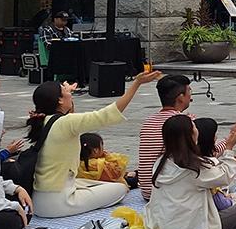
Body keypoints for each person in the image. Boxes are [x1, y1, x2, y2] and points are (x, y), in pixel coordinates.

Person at [31, 71, 163, 218]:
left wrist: (67, 94)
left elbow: (69, 118)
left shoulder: (44, 121)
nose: (70, 93)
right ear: (59, 100)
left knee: (105, 184)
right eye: (65, 91)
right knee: (120, 189)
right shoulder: (64, 123)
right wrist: (136, 84)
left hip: (40, 198)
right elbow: (104, 115)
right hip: (57, 202)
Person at [137, 75, 236, 200]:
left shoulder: (148, 121)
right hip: (173, 192)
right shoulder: (186, 124)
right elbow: (207, 152)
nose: (191, 95)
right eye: (189, 91)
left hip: (148, 189)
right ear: (181, 97)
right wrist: (230, 141)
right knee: (233, 177)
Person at [144, 114, 236, 229]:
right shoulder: (194, 168)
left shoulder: (161, 162)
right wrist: (230, 147)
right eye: (194, 127)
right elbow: (225, 176)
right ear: (191, 135)